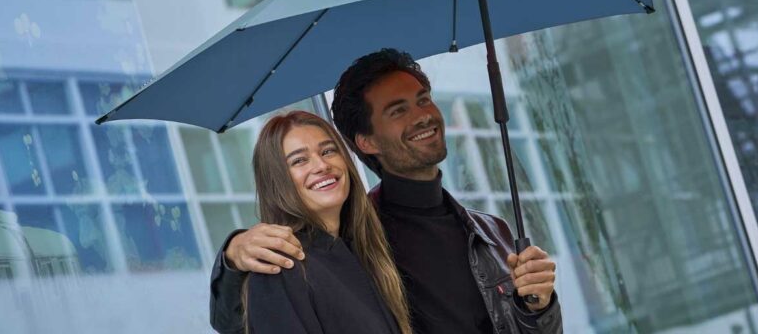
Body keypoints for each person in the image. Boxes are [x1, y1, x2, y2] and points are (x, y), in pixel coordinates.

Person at [211, 49, 563, 334]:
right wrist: (232, 257)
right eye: (398, 111)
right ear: (365, 141)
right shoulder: (357, 237)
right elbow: (240, 319)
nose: (422, 116)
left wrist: (539, 307)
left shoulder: (491, 231)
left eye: (423, 100)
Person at [242, 110, 411, 334]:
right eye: (299, 160)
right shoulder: (280, 269)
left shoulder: (368, 251)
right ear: (277, 182)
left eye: (328, 151)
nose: (322, 165)